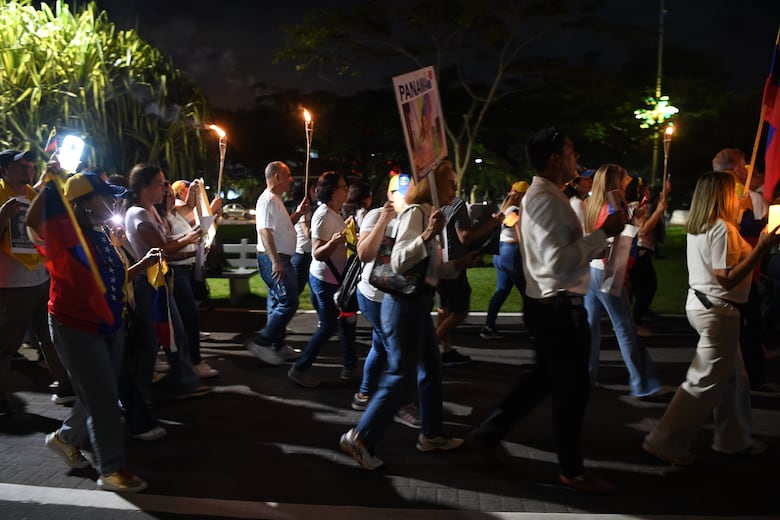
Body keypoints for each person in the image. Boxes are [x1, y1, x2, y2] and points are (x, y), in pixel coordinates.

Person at [469, 127, 624, 495]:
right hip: (558, 308)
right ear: (555, 158)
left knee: (542, 381)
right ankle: (571, 469)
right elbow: (557, 261)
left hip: (552, 305)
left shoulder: (548, 197)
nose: (577, 157)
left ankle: (489, 434)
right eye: (571, 151)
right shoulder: (546, 200)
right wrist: (604, 233)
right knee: (572, 392)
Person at [339, 160, 480, 470]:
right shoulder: (418, 214)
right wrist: (428, 234)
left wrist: (459, 264)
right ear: (432, 186)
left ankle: (431, 434)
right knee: (401, 375)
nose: (454, 189)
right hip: (402, 306)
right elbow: (400, 261)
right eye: (450, 183)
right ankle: (360, 436)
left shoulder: (432, 216)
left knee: (430, 368)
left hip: (416, 304)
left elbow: (428, 270)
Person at [28, 169, 162, 492]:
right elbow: (33, 224)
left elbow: (111, 280)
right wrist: (48, 184)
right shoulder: (65, 237)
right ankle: (111, 469)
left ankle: (65, 438)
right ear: (85, 203)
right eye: (105, 195)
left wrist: (141, 266)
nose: (114, 200)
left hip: (108, 324)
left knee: (99, 392)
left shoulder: (103, 233)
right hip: (76, 327)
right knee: (102, 399)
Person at [643, 171, 780, 465]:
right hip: (718, 309)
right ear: (721, 195)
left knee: (734, 377)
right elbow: (726, 278)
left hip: (705, 305)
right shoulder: (721, 229)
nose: (739, 195)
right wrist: (760, 248)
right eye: (734, 191)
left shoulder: (704, 225)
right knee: (703, 378)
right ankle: (664, 440)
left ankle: (732, 438)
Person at [124, 163, 208, 410]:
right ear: (145, 186)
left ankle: (182, 381)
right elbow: (160, 247)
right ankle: (139, 393)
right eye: (161, 183)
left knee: (171, 333)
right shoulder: (138, 214)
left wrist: (188, 239)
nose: (165, 188)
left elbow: (166, 242)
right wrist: (189, 239)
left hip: (159, 280)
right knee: (152, 339)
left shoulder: (151, 211)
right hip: (148, 283)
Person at [583, 164, 668, 398]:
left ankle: (586, 377)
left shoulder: (593, 203)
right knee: (625, 328)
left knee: (591, 328)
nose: (629, 179)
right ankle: (643, 383)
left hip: (592, 271)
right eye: (625, 176)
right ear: (616, 180)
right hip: (608, 270)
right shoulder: (615, 203)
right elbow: (622, 241)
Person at [0, 149, 70, 413]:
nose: (28, 167)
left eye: (30, 164)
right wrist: (4, 216)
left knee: (52, 335)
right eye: (21, 165)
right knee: (6, 344)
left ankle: (65, 384)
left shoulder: (32, 195)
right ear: (3, 170)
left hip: (41, 279)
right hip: (13, 285)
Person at [351, 173, 420, 428]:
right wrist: (384, 219)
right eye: (399, 194)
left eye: (409, 194)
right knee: (397, 353)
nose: (404, 199)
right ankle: (402, 404)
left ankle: (364, 394)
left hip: (396, 296)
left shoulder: (414, 216)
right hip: (373, 295)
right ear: (390, 195)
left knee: (380, 346)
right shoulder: (375, 214)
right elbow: (364, 253)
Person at [712, 149, 778, 397]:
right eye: (743, 165)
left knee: (745, 328)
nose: (746, 169)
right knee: (747, 327)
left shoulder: (729, 195)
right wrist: (757, 221)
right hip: (736, 277)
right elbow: (741, 229)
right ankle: (750, 377)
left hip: (736, 276)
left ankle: (744, 378)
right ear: (734, 168)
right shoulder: (735, 194)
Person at [288, 171, 357, 387]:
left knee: (346, 322)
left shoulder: (336, 213)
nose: (347, 190)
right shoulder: (322, 215)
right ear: (333, 191)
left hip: (336, 280)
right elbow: (317, 252)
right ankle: (300, 368)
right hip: (325, 281)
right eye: (343, 187)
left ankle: (350, 365)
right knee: (328, 326)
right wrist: (336, 241)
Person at [246, 162, 309, 365]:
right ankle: (262, 342)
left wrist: (297, 214)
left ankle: (278, 345)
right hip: (275, 259)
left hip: (281, 258)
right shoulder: (267, 200)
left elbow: (280, 228)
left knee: (279, 302)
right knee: (289, 301)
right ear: (276, 176)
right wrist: (275, 262)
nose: (291, 179)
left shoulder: (275, 200)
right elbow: (264, 231)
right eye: (287, 175)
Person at [157, 183, 218, 379]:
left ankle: (184, 363)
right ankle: (193, 362)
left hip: (186, 268)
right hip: (175, 271)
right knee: (189, 317)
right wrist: (191, 247)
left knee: (182, 319)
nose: (168, 197)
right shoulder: (162, 219)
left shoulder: (175, 214)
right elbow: (165, 251)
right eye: (166, 194)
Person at [436, 191, 503, 365]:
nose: (455, 185)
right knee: (460, 311)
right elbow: (464, 236)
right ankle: (430, 347)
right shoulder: (457, 204)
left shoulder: (433, 202)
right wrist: (493, 223)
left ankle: (446, 351)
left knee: (444, 308)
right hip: (454, 263)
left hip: (437, 262)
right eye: (450, 182)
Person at [481, 182, 528, 340]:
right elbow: (519, 232)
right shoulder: (515, 211)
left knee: (501, 291)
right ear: (521, 195)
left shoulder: (504, 209)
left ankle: (488, 326)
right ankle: (535, 330)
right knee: (528, 293)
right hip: (512, 253)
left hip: (500, 252)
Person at [627, 176, 668, 333]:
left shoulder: (640, 205)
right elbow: (643, 230)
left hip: (640, 251)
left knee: (639, 288)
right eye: (647, 188)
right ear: (640, 189)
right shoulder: (638, 207)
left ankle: (633, 318)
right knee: (648, 288)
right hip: (639, 252)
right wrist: (658, 211)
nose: (649, 191)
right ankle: (634, 322)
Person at [291, 179, 317, 296]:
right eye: (312, 189)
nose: (315, 192)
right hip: (302, 254)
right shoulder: (305, 211)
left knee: (314, 289)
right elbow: (307, 233)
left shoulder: (308, 210)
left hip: (306, 254)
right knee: (295, 290)